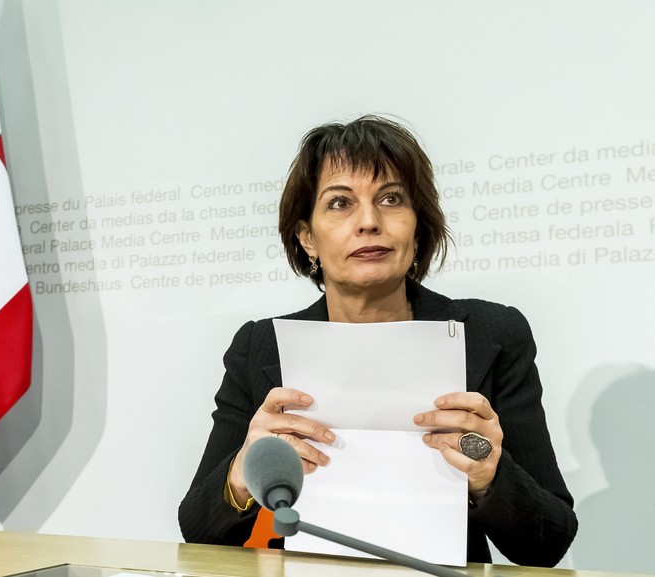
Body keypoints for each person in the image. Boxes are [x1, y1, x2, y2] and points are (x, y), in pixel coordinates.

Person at [178, 115, 578, 567]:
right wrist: (243, 470)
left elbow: (549, 543)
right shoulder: (261, 346)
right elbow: (197, 531)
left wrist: (488, 474)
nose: (368, 222)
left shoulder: (493, 334)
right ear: (307, 237)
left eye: (391, 199)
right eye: (339, 204)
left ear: (418, 226)